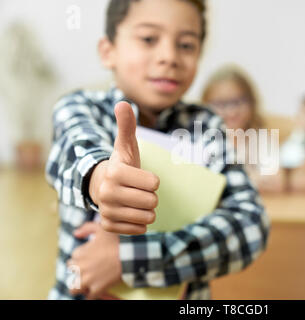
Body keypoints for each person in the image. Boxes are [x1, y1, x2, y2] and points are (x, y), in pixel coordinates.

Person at [45, 0, 270, 300]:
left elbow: (251, 225)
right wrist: (100, 180)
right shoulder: (79, 107)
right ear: (107, 50)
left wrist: (130, 259)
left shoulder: (205, 125)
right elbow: (71, 153)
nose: (169, 57)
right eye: (149, 39)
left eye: (186, 45)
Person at [202, 65, 284, 192]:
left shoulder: (260, 138)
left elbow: (276, 182)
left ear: (252, 102)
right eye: (221, 104)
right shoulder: (202, 139)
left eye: (238, 101)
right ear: (205, 105)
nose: (231, 111)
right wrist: (252, 178)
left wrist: (224, 180)